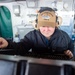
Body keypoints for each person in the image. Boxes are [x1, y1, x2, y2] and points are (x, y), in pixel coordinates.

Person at [0, 7, 74, 59]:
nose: (46, 29)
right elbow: (21, 47)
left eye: (50, 25)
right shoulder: (31, 36)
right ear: (36, 24)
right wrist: (8, 44)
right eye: (43, 25)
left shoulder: (64, 36)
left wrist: (70, 53)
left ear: (56, 24)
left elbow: (71, 48)